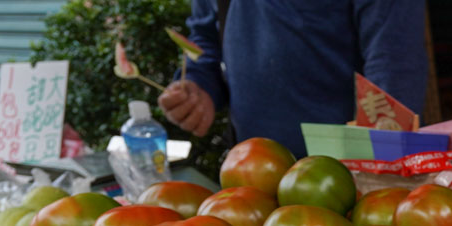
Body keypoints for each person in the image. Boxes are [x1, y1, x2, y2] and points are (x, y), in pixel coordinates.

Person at [159, 0, 431, 158]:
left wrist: (383, 166)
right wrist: (199, 86)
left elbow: (394, 59)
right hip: (251, 173)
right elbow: (207, 36)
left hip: (344, 176)